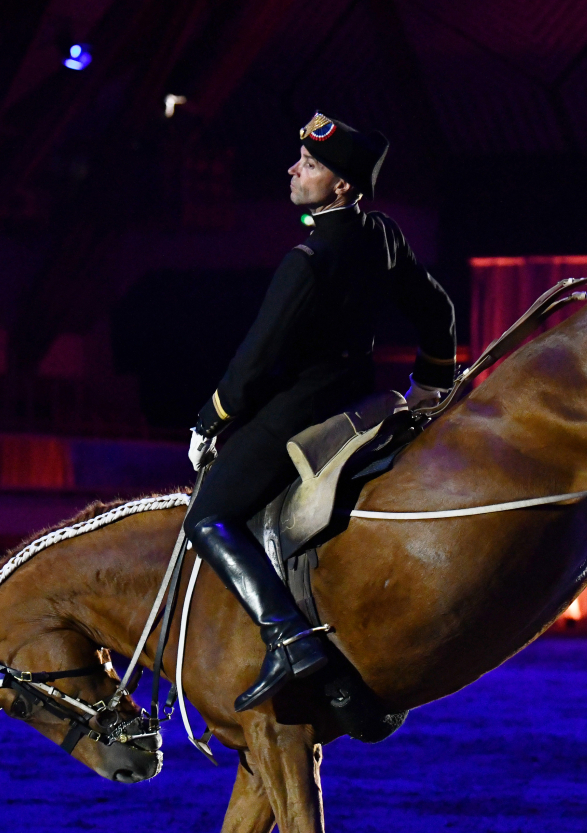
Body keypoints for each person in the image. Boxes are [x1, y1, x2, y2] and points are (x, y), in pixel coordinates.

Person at [185, 112, 456, 713]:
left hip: (297, 410)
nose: (293, 169)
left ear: (340, 186)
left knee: (207, 519)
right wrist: (435, 379)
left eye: (308, 164)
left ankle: (286, 638)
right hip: (357, 397)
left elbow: (256, 360)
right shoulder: (382, 235)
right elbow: (435, 307)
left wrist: (213, 417)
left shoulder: (304, 260)